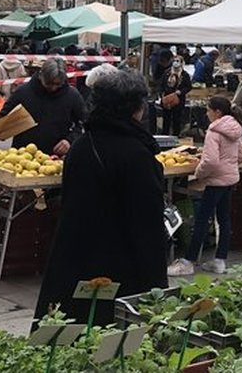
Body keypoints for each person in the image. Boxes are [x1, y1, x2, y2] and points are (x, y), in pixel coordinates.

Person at [34, 68, 167, 326]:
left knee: (71, 333)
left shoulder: (81, 146)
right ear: (135, 109)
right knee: (111, 337)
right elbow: (148, 225)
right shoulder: (137, 155)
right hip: (119, 267)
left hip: (73, 260)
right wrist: (156, 284)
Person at [167, 97, 242, 276]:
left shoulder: (214, 131)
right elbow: (241, 157)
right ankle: (220, 260)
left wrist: (199, 173)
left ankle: (188, 261)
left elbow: (210, 161)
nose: (207, 114)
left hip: (215, 181)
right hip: (230, 180)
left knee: (202, 220)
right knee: (224, 220)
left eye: (208, 110)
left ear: (217, 112)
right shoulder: (235, 128)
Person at [0, 58, 87, 155]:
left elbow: (84, 123)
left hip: (56, 156)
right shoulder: (23, 92)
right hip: (22, 155)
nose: (53, 88)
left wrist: (70, 140)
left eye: (57, 84)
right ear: (41, 76)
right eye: (49, 84)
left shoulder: (72, 96)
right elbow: (3, 116)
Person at [158, 56, 192, 137]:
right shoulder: (167, 72)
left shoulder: (184, 74)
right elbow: (161, 85)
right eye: (174, 61)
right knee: (166, 119)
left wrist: (181, 92)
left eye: (178, 61)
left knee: (177, 119)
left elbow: (188, 87)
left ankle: (176, 135)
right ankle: (165, 135)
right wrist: (161, 95)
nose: (175, 63)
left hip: (178, 100)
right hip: (167, 99)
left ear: (181, 63)